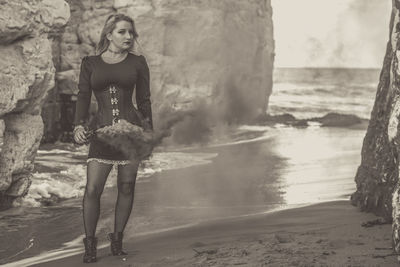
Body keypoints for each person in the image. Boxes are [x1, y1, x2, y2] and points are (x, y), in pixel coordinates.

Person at [73, 13, 153, 263]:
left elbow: (144, 100)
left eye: (131, 32)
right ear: (109, 35)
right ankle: (90, 246)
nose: (128, 36)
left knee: (126, 187)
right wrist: (77, 125)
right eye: (122, 32)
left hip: (131, 133)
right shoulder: (90, 63)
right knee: (92, 188)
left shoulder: (138, 63)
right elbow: (83, 96)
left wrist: (149, 133)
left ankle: (117, 240)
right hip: (101, 132)